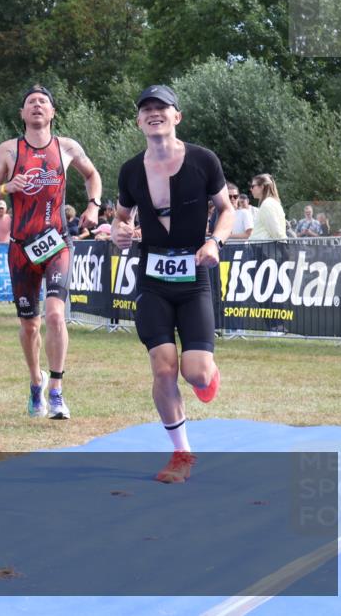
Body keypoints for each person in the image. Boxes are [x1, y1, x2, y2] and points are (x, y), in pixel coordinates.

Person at [111, 85, 233, 484]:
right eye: (146, 109)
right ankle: (181, 454)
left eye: (161, 107)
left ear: (177, 116)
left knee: (194, 372)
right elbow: (121, 219)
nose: (154, 113)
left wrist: (214, 240)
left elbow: (226, 209)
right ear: (138, 121)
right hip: (152, 281)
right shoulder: (131, 170)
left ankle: (207, 375)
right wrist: (120, 233)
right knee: (164, 369)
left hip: (194, 277)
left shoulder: (202, 160)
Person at [0, 84, 102, 420]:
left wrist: (93, 206)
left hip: (56, 244)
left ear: (52, 112)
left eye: (43, 102)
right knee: (29, 327)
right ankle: (35, 381)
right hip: (21, 249)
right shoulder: (9, 151)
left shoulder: (66, 147)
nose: (37, 105)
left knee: (55, 314)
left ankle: (56, 390)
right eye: (30, 102)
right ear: (22, 114)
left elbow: (92, 174)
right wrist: (8, 187)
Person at [247, 173, 286, 241]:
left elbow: (276, 231)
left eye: (253, 186)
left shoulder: (267, 204)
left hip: (264, 249)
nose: (251, 189)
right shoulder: (272, 202)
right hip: (265, 248)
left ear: (262, 187)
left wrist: (285, 247)